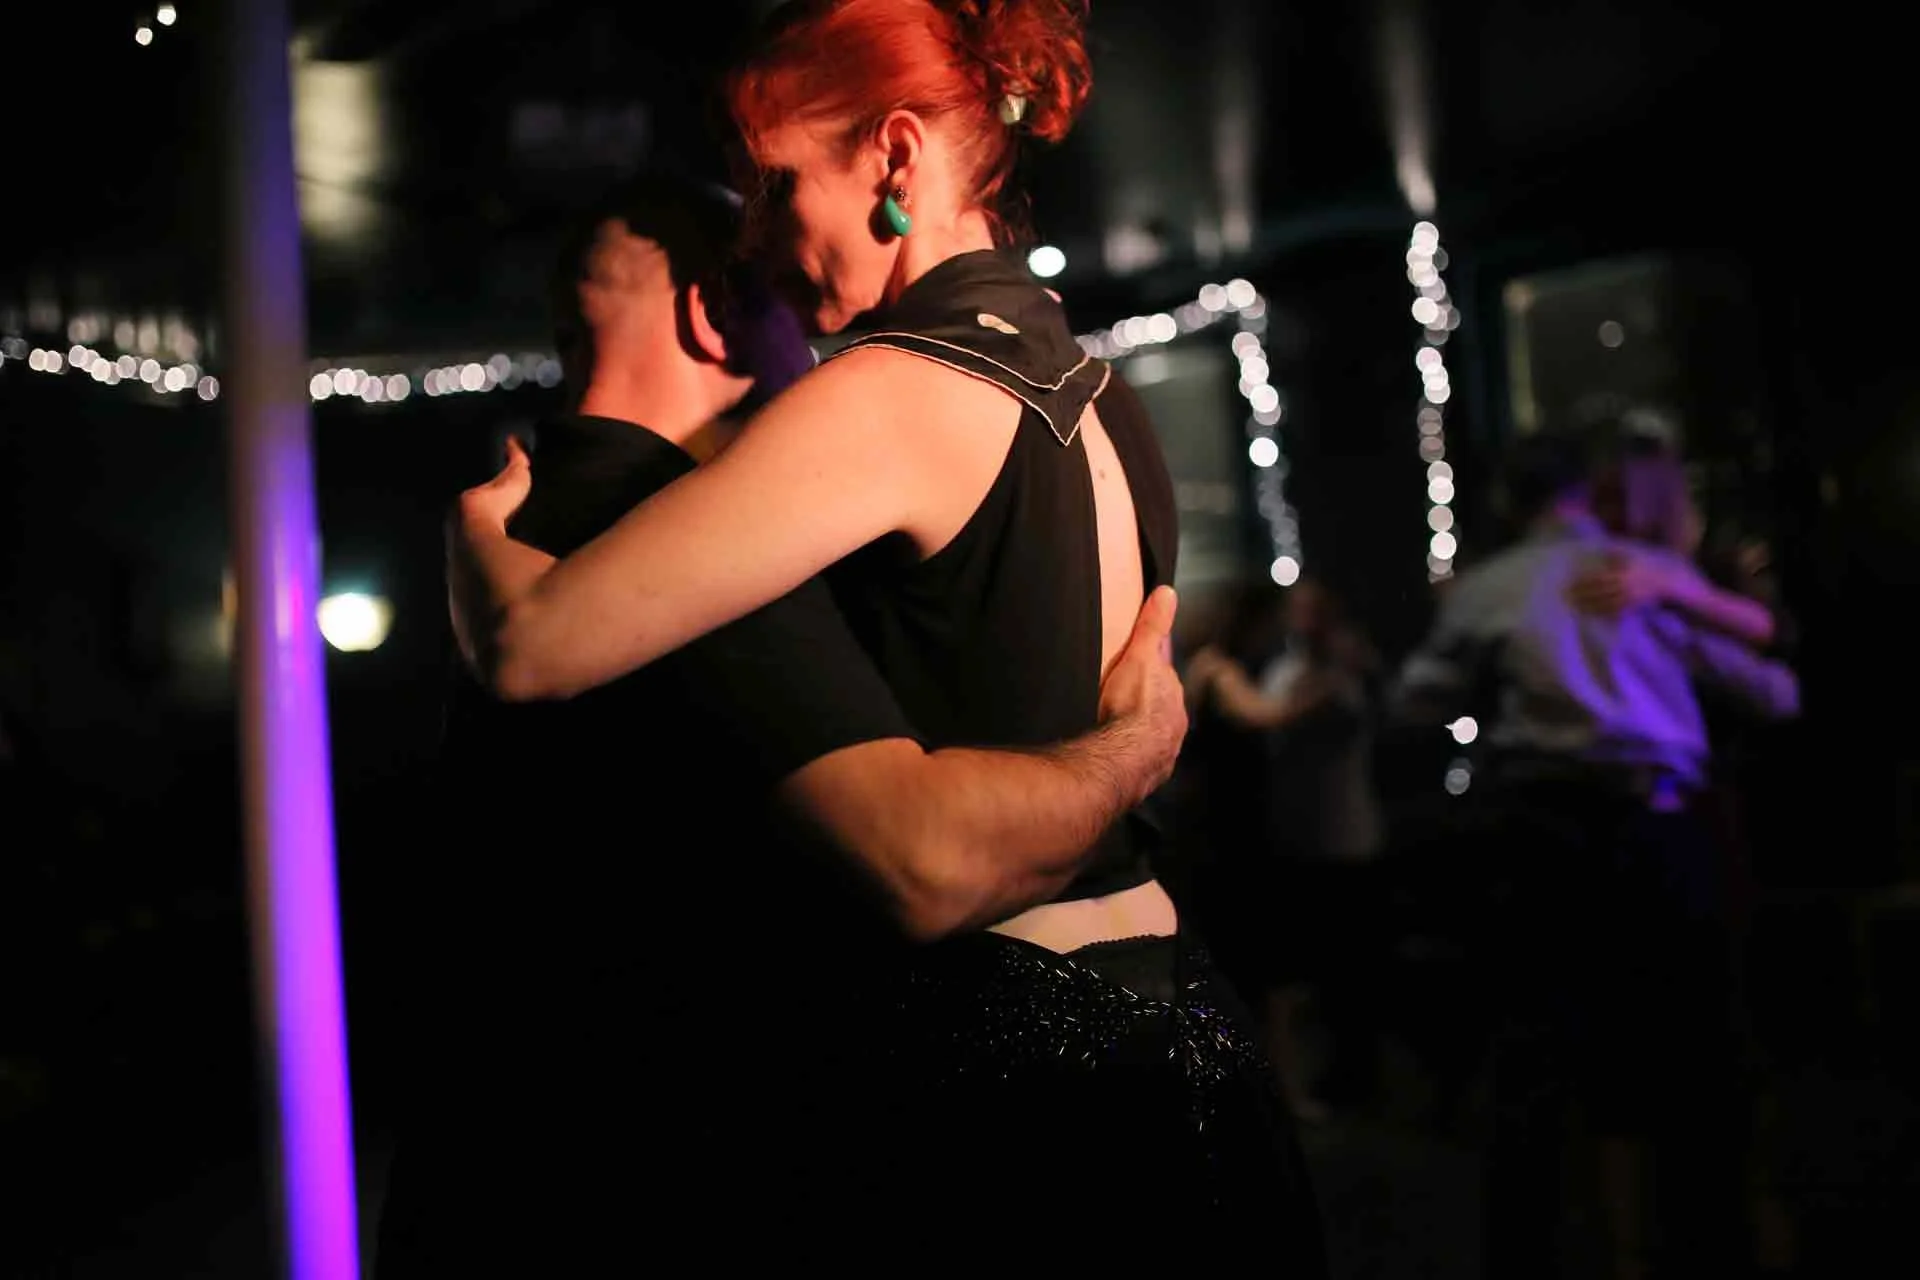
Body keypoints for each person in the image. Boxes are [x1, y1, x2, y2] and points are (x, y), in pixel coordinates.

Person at [448, 0, 1326, 1259]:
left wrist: (476, 533)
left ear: (896, 157)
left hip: (1013, 1086)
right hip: (1182, 1035)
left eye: (775, 182)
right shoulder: (1109, 402)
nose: (760, 234)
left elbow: (533, 646)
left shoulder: (884, 392)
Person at [376, 170, 1189, 1275]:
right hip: (666, 1187)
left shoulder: (519, 522)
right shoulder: (684, 549)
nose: (819, 320)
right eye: (788, 292)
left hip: (483, 1161)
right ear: (716, 311)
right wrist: (1131, 748)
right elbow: (920, 859)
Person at [1390, 431, 1800, 1279]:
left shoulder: (1492, 586)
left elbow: (1415, 700)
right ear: (1586, 492)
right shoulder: (1649, 573)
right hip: (1664, 826)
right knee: (1691, 1054)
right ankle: (1703, 1246)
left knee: (1541, 1055)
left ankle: (1545, 1251)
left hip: (1545, 834)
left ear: (1510, 501)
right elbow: (1767, 688)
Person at [1185, 576, 1386, 1121]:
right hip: (1230, 842)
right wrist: (1340, 676)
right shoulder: (1220, 671)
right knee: (1260, 975)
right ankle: (1275, 1097)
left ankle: (1270, 1092)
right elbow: (1267, 717)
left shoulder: (1229, 669)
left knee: (1263, 976)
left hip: (1243, 837)